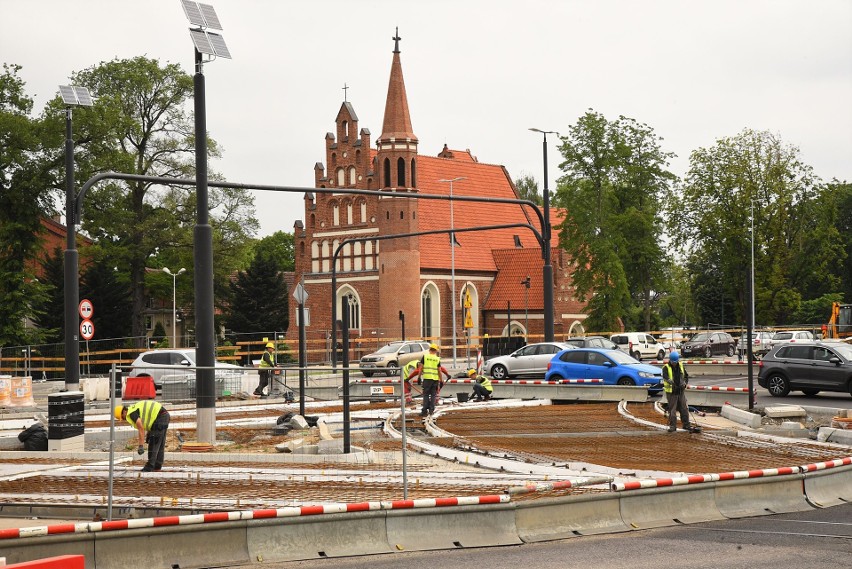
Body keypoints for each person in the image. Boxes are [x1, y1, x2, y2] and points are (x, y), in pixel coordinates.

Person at [114, 401, 171, 472]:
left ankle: (149, 466)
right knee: (159, 442)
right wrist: (149, 433)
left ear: (124, 411)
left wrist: (141, 445)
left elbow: (141, 428)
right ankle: (157, 465)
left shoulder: (131, 413)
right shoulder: (134, 410)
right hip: (163, 416)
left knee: (154, 442)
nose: (123, 419)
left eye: (122, 417)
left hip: (160, 417)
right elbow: (149, 419)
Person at [407, 343, 451, 419]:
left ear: (430, 349)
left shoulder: (425, 357)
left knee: (426, 395)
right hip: (435, 380)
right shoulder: (437, 359)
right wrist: (441, 380)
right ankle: (431, 410)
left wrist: (419, 377)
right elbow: (439, 370)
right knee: (433, 395)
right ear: (436, 351)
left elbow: (421, 368)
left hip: (427, 379)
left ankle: (424, 411)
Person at [661, 351, 700, 433]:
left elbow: (686, 376)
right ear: (670, 361)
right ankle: (672, 426)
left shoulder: (681, 366)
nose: (674, 363)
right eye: (673, 362)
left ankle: (686, 424)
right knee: (673, 410)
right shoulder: (666, 367)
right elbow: (665, 377)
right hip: (672, 392)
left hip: (680, 391)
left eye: (675, 362)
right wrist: (670, 382)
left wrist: (684, 384)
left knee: (684, 408)